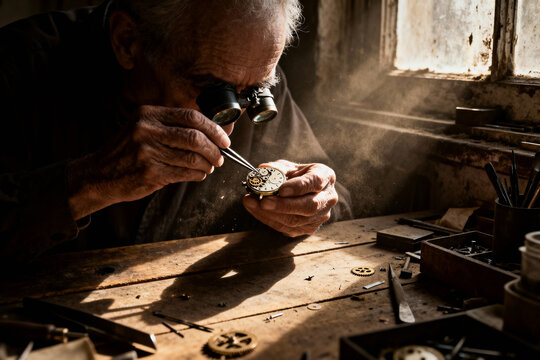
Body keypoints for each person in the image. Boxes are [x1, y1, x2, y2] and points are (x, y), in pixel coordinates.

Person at [0, 0, 352, 265]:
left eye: (251, 93)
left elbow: (337, 202)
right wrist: (91, 182)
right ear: (127, 41)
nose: (227, 125)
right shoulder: (18, 67)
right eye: (210, 88)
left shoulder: (250, 74)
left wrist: (312, 204)